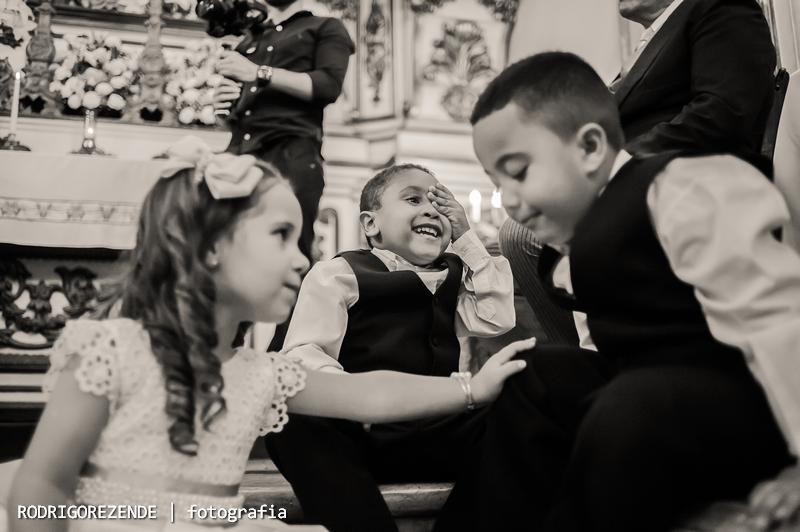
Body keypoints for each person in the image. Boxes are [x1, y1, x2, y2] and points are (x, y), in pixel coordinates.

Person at [5, 137, 532, 532]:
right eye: (282, 236)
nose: (302, 256)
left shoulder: (261, 375)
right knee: (305, 429)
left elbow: (371, 391)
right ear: (211, 247)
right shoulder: (109, 353)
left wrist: (472, 389)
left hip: (424, 428)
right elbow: (42, 487)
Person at [436, 52, 800, 532]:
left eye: (519, 172)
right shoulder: (581, 242)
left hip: (744, 403)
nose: (508, 199)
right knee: (534, 372)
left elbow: (777, 319)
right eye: (496, 182)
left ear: (589, 147)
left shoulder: (683, 187)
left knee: (629, 404)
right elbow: (603, 343)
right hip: (649, 397)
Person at [265, 164, 515, 532]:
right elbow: (306, 355)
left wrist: (467, 239)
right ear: (370, 225)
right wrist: (356, 404)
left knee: (516, 406)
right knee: (290, 417)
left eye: (438, 203)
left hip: (437, 434)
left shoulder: (453, 278)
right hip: (361, 437)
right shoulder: (340, 274)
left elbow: (496, 318)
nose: (431, 209)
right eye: (413, 199)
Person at [213, 0, 354, 261]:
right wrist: (223, 108)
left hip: (290, 155)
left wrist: (258, 72)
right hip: (239, 155)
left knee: (287, 252)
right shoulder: (249, 39)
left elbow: (327, 86)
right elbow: (243, 107)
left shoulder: (324, 27)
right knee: (227, 251)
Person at [613, 0, 776, 170]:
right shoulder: (660, 34)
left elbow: (720, 114)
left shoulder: (723, 8)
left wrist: (621, 162)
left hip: (685, 184)